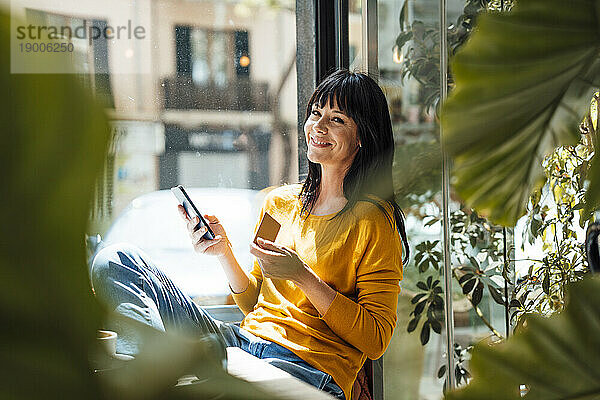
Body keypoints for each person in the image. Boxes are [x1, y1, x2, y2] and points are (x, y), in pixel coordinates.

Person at [91, 69, 409, 400]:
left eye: (337, 119)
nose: (319, 126)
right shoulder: (278, 203)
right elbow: (254, 302)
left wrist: (302, 277)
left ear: (362, 136)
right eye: (316, 113)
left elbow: (375, 340)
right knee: (116, 260)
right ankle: (152, 374)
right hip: (242, 342)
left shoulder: (373, 219)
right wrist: (224, 252)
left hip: (306, 369)